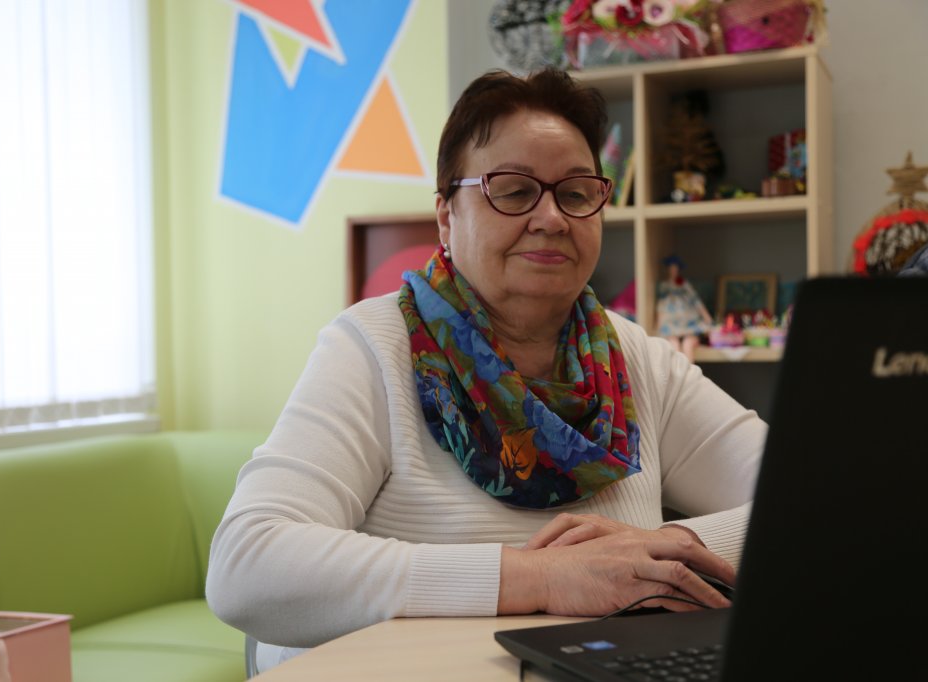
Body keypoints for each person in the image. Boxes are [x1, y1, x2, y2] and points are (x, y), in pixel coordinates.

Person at [206, 68, 767, 674]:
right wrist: (539, 576)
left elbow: (812, 495)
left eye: (577, 193)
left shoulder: (636, 360)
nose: (552, 218)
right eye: (514, 191)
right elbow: (247, 566)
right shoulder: (374, 346)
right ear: (446, 216)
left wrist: (672, 551)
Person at [655, 254, 713, 362]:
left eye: (675, 269)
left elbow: (695, 300)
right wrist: (658, 324)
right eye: (671, 269)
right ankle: (678, 371)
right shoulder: (664, 286)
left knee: (687, 344)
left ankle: (689, 371)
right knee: (674, 345)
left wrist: (706, 316)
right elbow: (661, 305)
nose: (673, 271)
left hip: (687, 320)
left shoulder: (684, 284)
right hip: (671, 321)